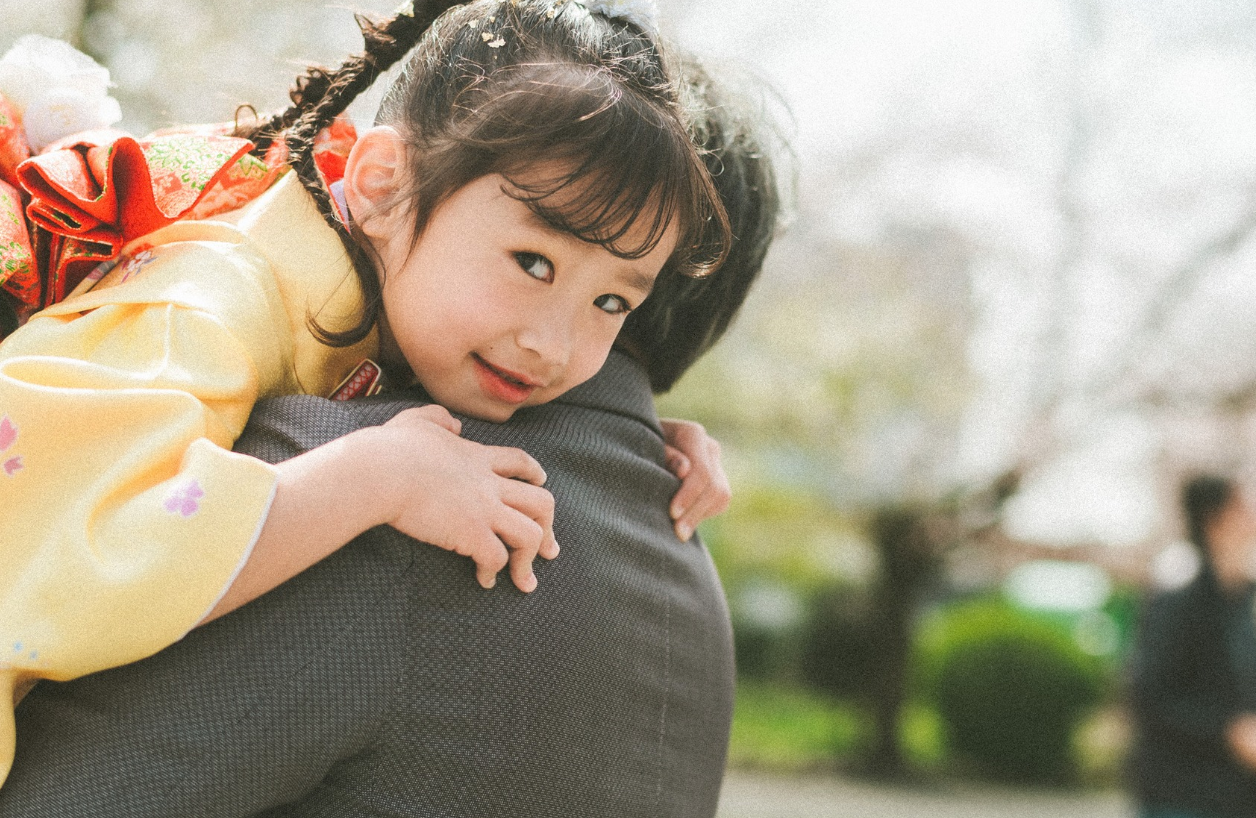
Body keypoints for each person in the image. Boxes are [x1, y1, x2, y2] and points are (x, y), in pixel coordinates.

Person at [0, 51, 781, 816]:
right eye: (534, 263)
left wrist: (643, 432)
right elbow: (72, 552)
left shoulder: (372, 290)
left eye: (612, 303)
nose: (555, 344)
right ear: (380, 185)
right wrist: (372, 477)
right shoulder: (200, 309)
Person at [1129, 474, 1256, 818]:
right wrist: (1228, 732)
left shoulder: (1243, 602)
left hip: (1236, 797)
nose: (1252, 517)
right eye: (1241, 507)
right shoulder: (1177, 602)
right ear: (1213, 520)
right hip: (1181, 795)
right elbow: (1149, 696)